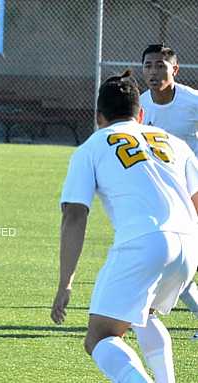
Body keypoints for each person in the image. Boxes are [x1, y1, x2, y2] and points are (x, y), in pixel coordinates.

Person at [51, 70, 198, 382]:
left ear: (98, 116)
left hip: (145, 242)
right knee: (144, 315)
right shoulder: (173, 142)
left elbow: (74, 215)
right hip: (188, 243)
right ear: (141, 113)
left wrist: (65, 283)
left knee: (100, 338)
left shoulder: (92, 146)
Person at [141, 43, 198, 340]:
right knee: (174, 258)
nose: (154, 71)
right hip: (164, 197)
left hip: (194, 191)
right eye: (148, 65)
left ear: (174, 70)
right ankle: (144, 310)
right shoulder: (139, 106)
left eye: (160, 66)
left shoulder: (192, 102)